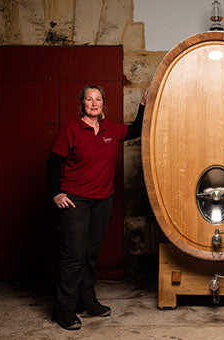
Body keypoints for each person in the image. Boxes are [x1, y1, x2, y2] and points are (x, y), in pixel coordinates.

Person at [46, 85, 148, 330]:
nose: (94, 103)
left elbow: (136, 129)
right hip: (76, 201)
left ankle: (87, 300)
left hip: (102, 201)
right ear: (82, 103)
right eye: (89, 99)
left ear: (103, 104)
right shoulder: (70, 129)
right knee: (74, 255)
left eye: (98, 99)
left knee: (91, 254)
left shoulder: (111, 129)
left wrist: (144, 104)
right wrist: (56, 193)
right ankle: (66, 309)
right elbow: (52, 165)